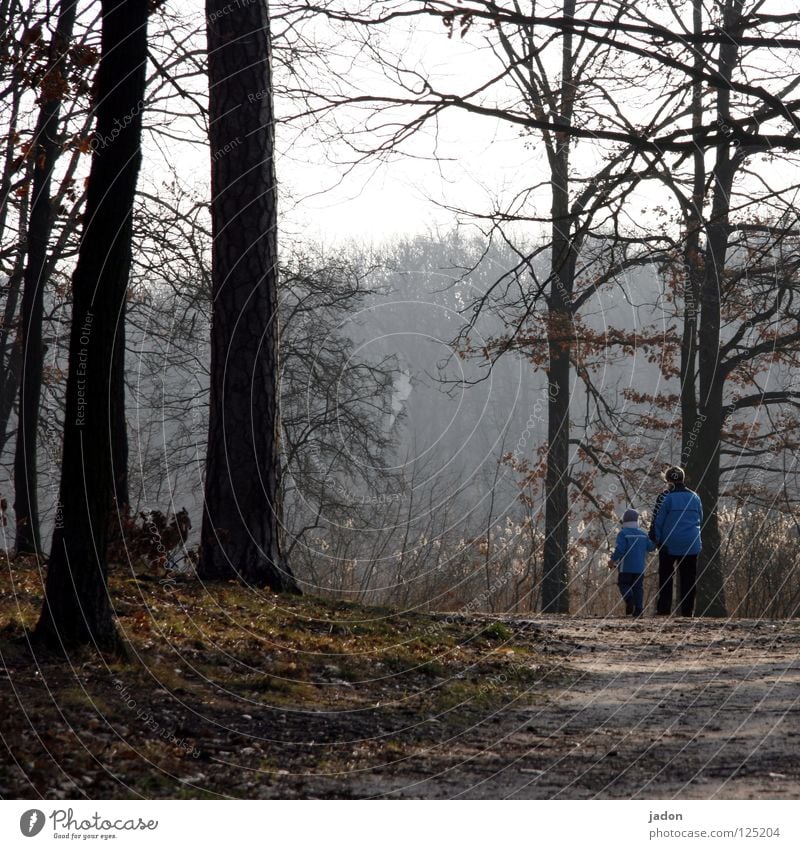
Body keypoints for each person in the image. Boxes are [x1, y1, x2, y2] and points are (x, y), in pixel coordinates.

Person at [652, 466, 703, 616]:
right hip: (691, 543)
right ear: (683, 478)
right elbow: (701, 518)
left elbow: (658, 522)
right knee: (689, 578)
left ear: (668, 481)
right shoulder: (695, 497)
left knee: (666, 576)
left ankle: (663, 610)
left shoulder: (665, 497)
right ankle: (688, 612)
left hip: (669, 543)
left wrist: (657, 540)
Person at [608, 508, 656, 617]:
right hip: (639, 568)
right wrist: (655, 538)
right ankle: (639, 610)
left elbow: (620, 550)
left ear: (624, 521)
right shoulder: (643, 534)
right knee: (638, 588)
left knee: (623, 584)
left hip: (626, 567)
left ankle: (629, 598)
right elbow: (651, 547)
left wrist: (612, 560)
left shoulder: (623, 534)